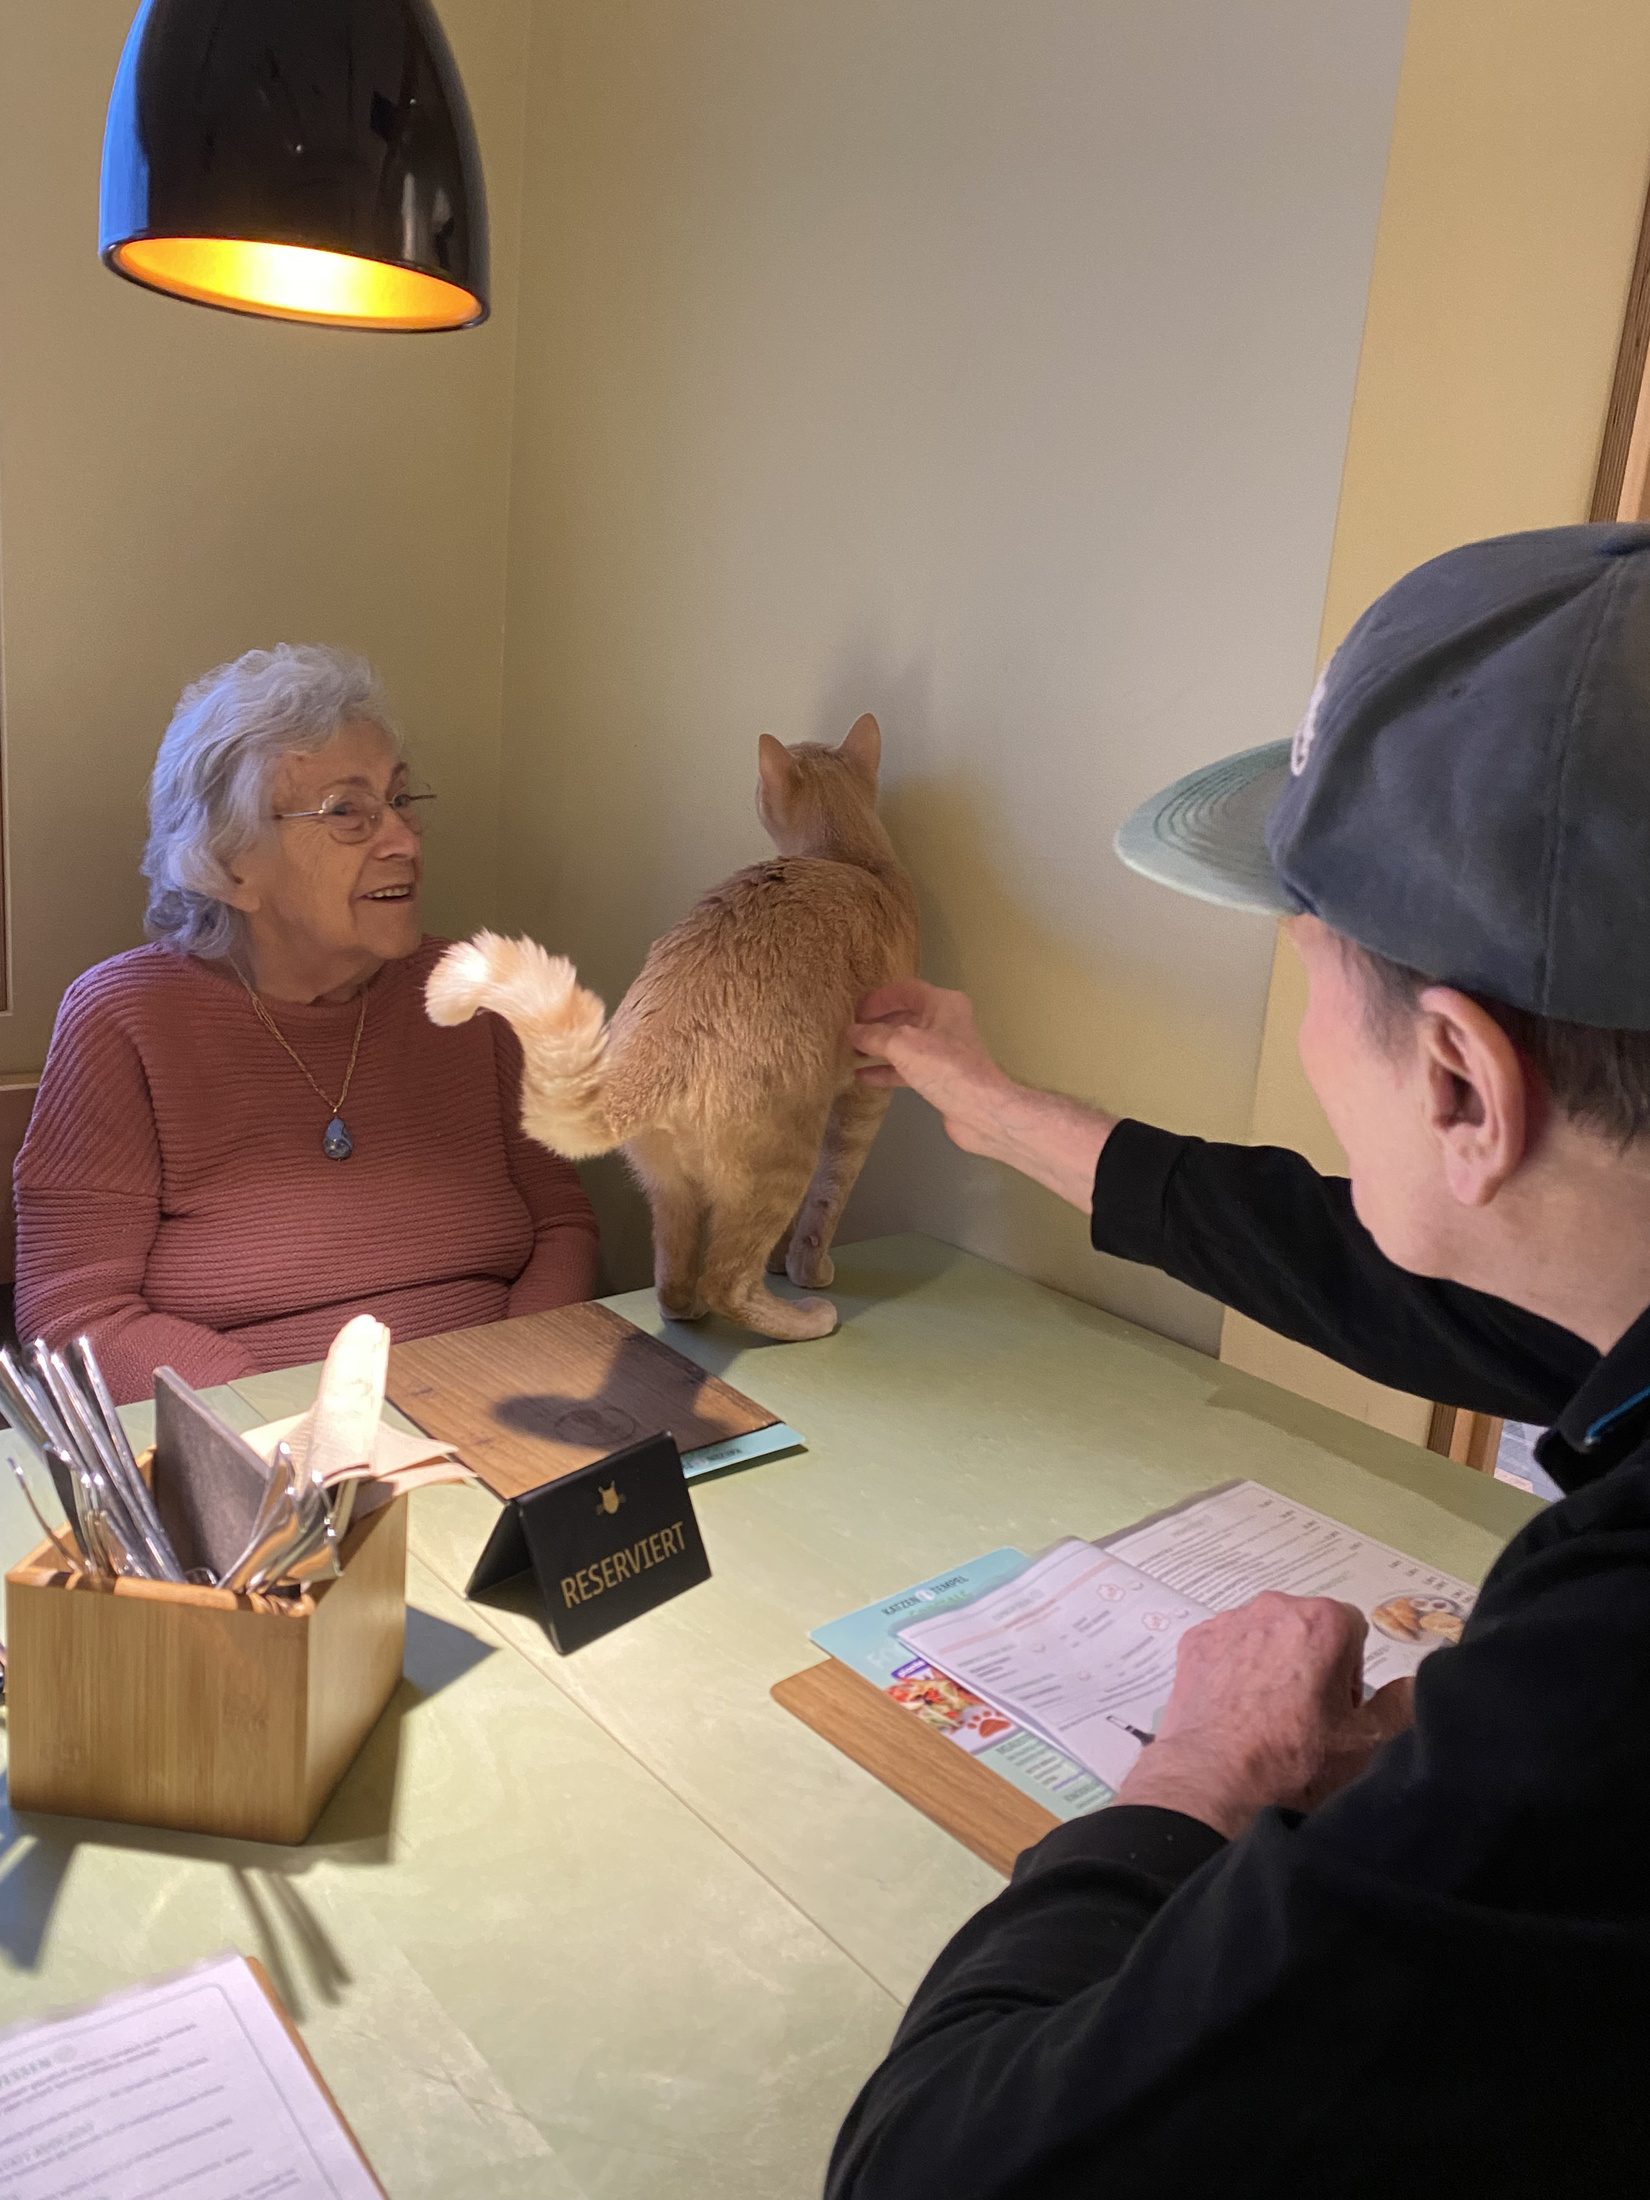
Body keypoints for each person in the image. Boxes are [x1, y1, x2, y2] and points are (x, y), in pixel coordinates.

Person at [829, 524, 1650, 2195]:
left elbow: (932, 2172)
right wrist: (993, 1110)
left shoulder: (1598, 1681)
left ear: (1459, 1083)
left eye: (1311, 977)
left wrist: (1205, 1766)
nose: (1313, 1041)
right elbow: (1358, 1265)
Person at [14, 645, 599, 1403]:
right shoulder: (123, 1018)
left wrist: (514, 1376)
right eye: (346, 811)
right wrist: (287, 1421)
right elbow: (74, 1316)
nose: (405, 840)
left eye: (400, 799)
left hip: (505, 1411)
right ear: (228, 863)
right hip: (257, 1442)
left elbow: (561, 1226)